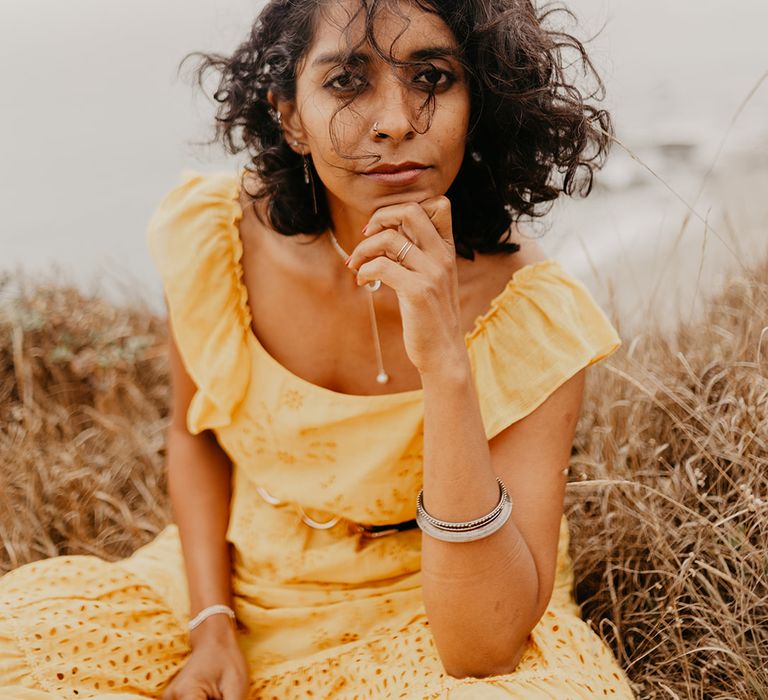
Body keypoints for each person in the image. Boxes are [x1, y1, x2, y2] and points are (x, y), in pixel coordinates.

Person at [0, 0, 636, 697]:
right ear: (290, 116)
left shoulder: (533, 315)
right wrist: (211, 624)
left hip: (442, 603)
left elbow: (480, 649)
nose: (396, 120)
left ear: (480, 101)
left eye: (432, 78)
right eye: (346, 82)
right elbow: (197, 437)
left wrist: (446, 365)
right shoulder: (218, 237)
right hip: (242, 581)